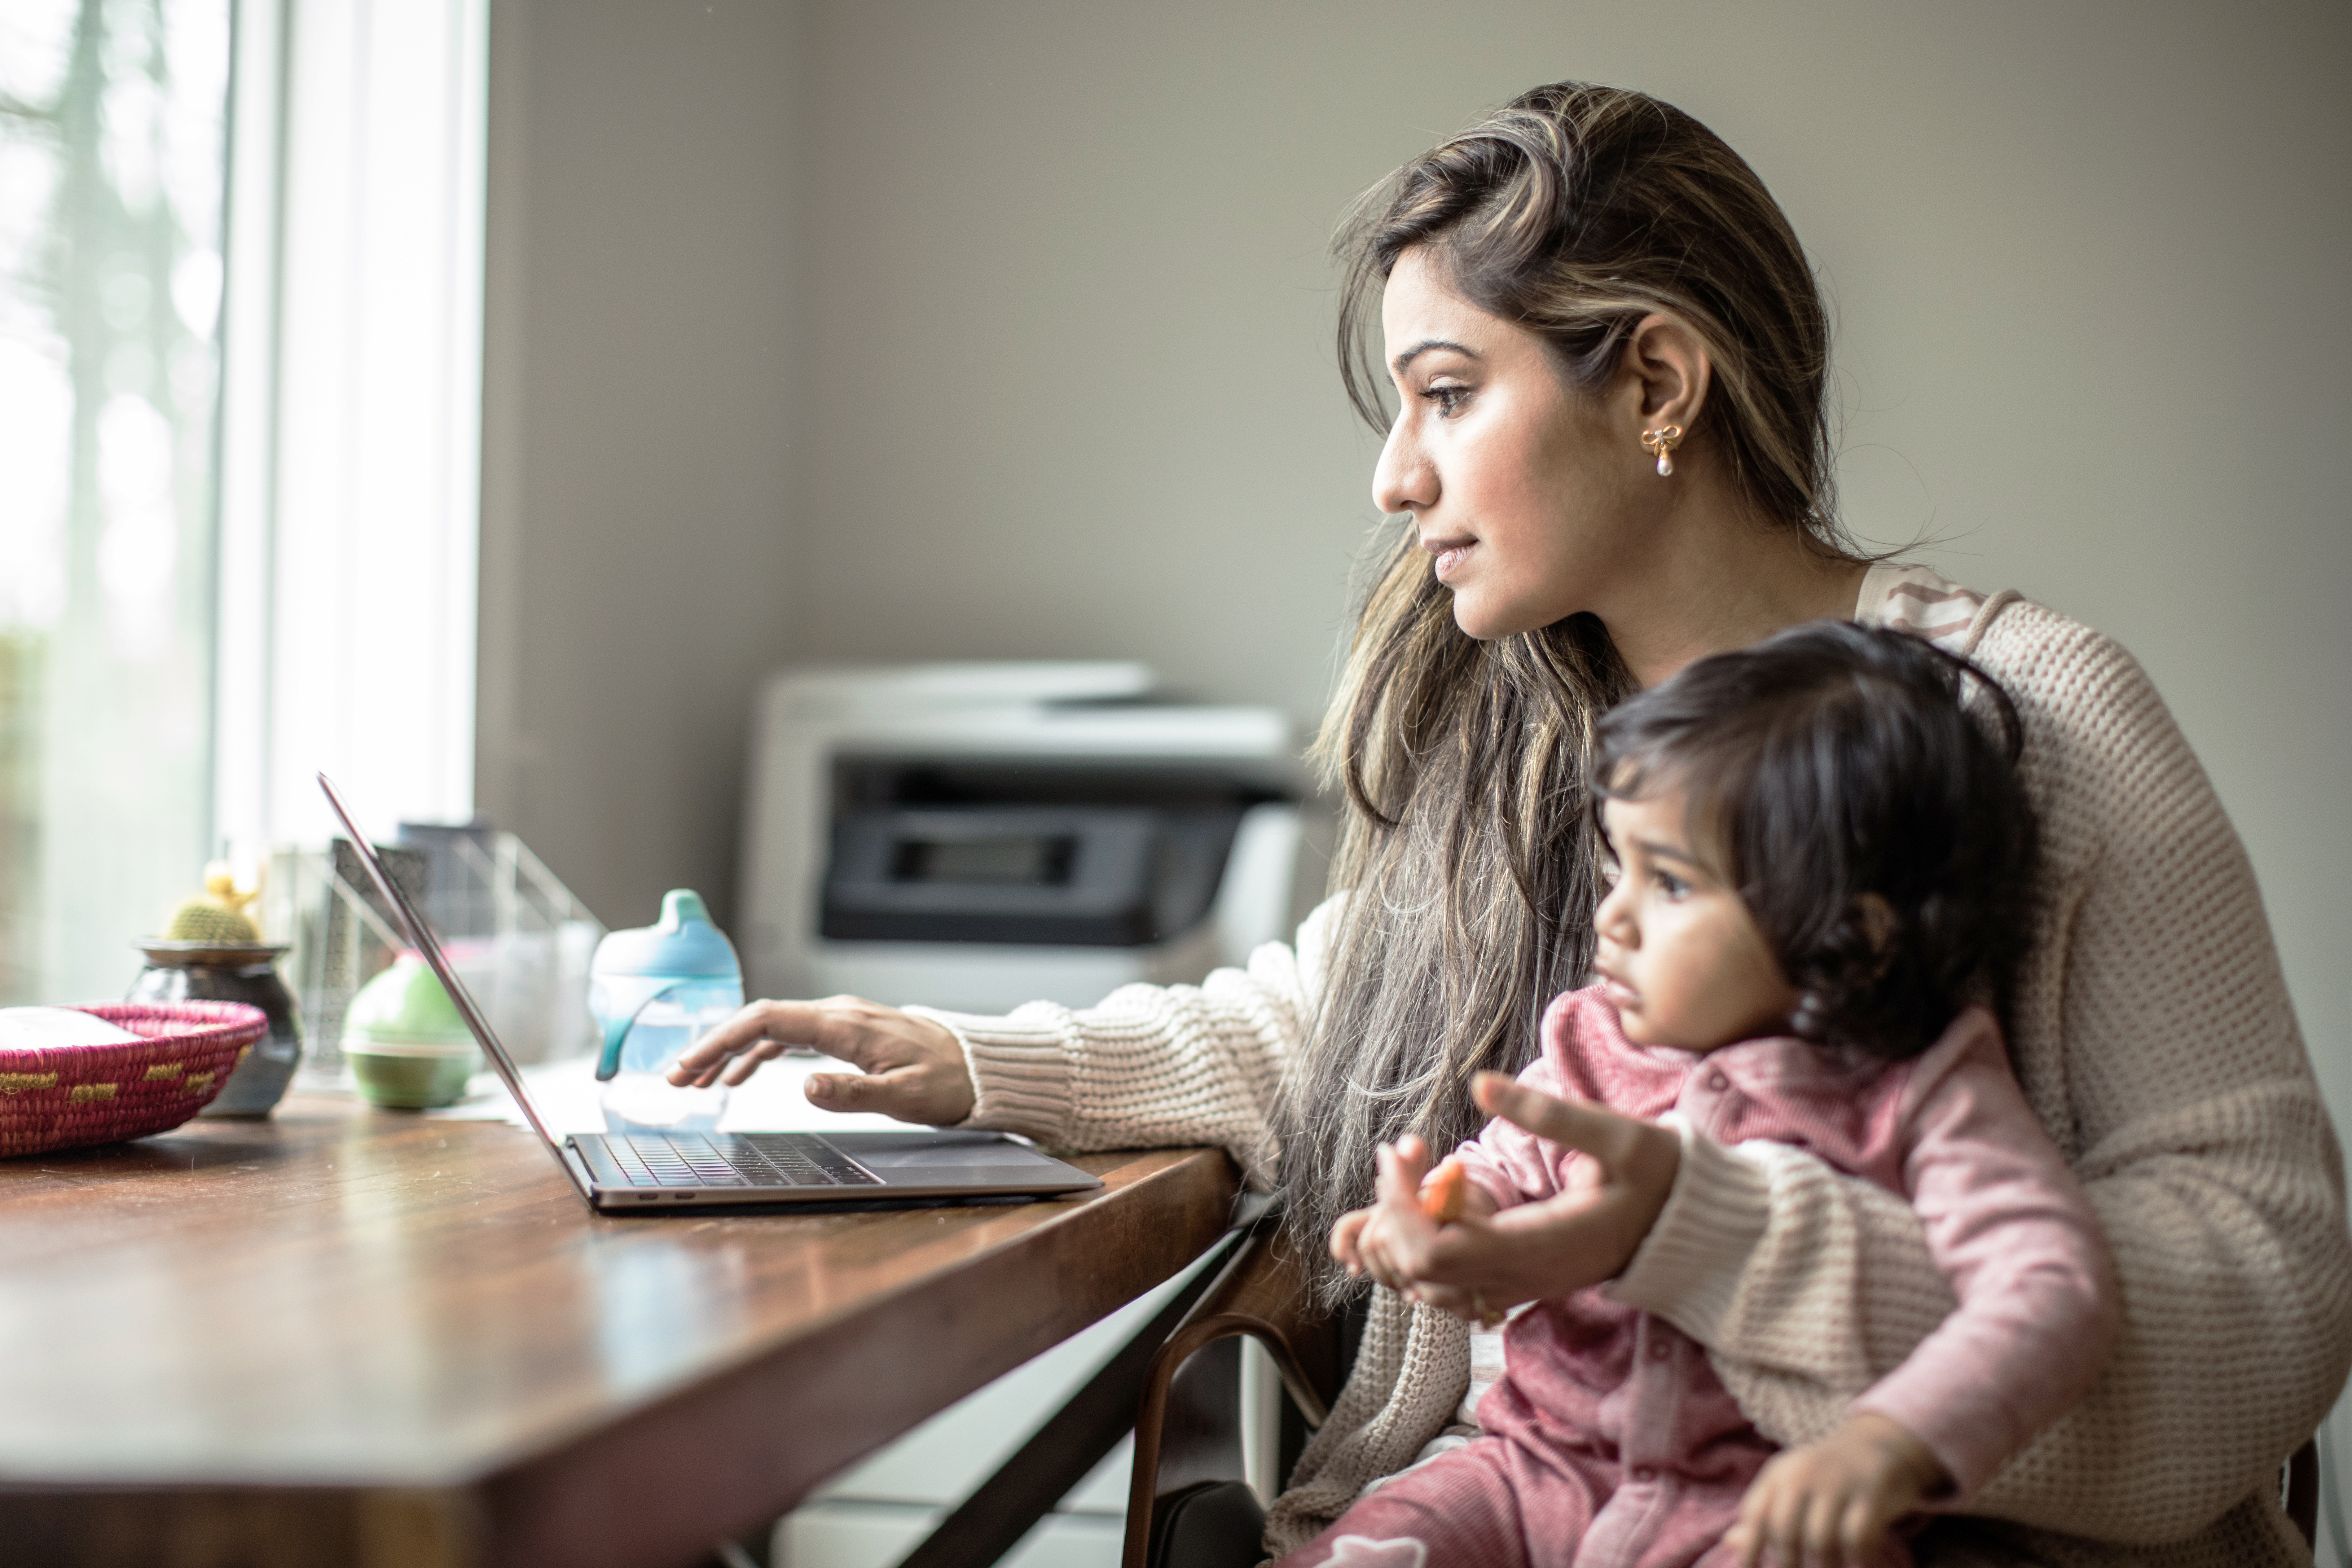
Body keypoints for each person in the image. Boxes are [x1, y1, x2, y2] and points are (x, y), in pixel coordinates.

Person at [674, 83, 2349, 1564]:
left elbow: (2269, 1287)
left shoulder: (2028, 718)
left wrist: (1711, 1252)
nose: (1393, 480)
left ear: (1658, 386)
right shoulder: (1521, 739)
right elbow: (1328, 1027)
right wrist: (972, 1067)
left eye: (1447, 392)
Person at [1307, 621, 2119, 1568]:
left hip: (1764, 1512)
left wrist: (1890, 1442)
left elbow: (2049, 1287)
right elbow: (1494, 1166)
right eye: (1624, 865)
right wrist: (1440, 1217)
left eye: (1671, 882)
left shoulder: (1926, 1086)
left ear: (1849, 935)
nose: (1612, 915)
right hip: (1531, 1470)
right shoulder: (1591, 1037)